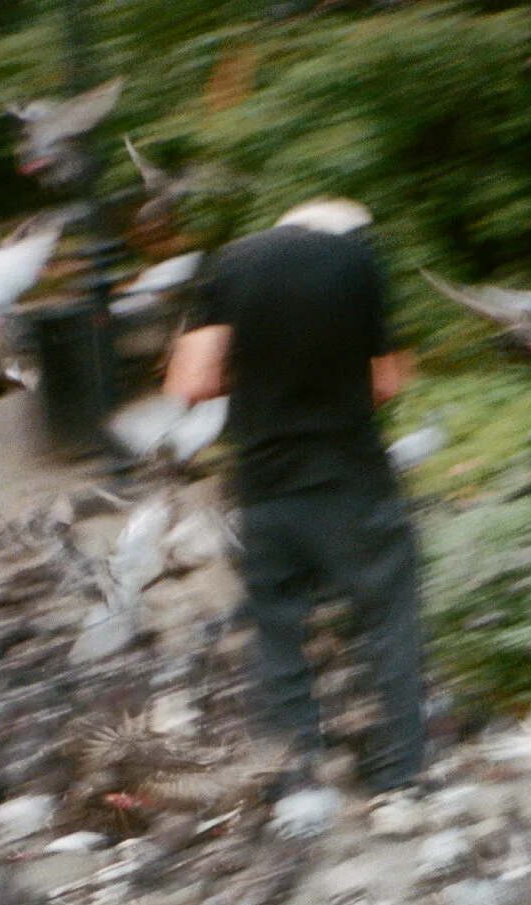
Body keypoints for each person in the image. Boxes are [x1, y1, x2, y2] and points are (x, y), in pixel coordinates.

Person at [165, 198, 424, 811]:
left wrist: (252, 373)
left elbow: (191, 384)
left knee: (277, 630)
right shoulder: (357, 260)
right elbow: (385, 384)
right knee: (388, 620)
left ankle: (296, 777)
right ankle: (398, 774)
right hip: (351, 479)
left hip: (264, 482)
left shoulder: (229, 264)